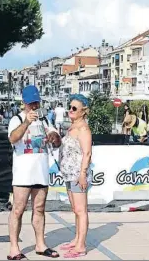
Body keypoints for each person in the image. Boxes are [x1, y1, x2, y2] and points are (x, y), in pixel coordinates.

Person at [7, 85, 61, 260]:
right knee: (18, 209)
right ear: (24, 102)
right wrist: (27, 122)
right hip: (23, 173)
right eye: (31, 103)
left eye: (36, 102)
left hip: (41, 172)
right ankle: (14, 248)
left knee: (39, 208)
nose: (34, 106)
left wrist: (55, 138)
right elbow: (13, 139)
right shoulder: (16, 119)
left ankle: (40, 244)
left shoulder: (45, 120)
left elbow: (57, 141)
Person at [59, 94, 92, 258]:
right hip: (69, 174)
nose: (70, 110)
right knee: (75, 209)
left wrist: (83, 174)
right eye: (69, 107)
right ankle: (77, 239)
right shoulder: (72, 127)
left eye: (74, 108)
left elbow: (87, 153)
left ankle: (81, 245)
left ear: (83, 111)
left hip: (78, 175)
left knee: (81, 210)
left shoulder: (83, 129)